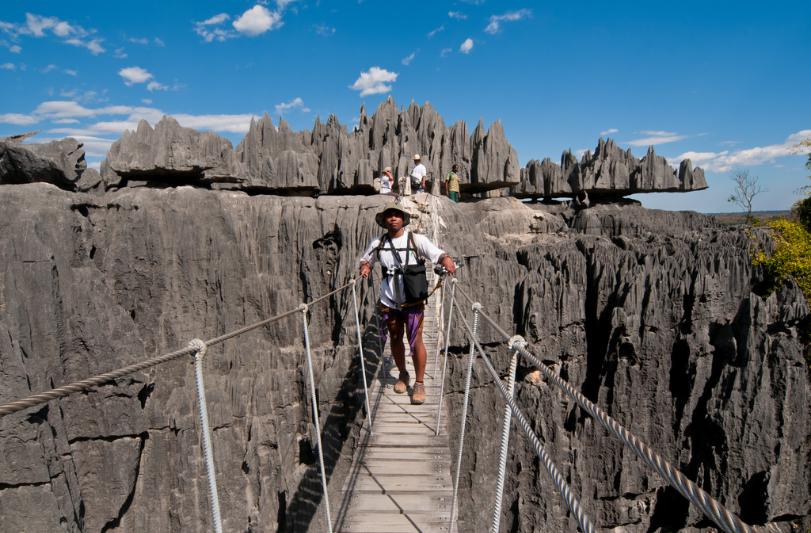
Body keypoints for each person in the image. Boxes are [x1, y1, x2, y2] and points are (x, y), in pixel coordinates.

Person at [358, 202, 456, 404]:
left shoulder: (415, 239)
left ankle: (419, 383)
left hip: (412, 299)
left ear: (403, 219)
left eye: (397, 215)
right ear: (385, 221)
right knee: (395, 337)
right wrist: (366, 267)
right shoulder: (378, 242)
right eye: (389, 216)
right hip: (389, 299)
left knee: (415, 340)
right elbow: (366, 259)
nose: (393, 218)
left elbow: (435, 253)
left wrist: (445, 260)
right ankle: (403, 374)